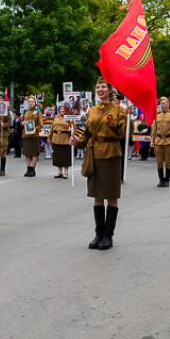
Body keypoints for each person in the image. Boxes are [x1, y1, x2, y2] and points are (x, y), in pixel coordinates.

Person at [71, 77, 127, 250]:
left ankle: (108, 236)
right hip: (94, 153)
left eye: (104, 86)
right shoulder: (92, 110)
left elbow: (122, 134)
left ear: (110, 90)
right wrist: (77, 142)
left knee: (111, 194)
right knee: (97, 195)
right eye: (98, 86)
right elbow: (88, 133)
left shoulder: (119, 110)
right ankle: (98, 233)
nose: (101, 89)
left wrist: (127, 116)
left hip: (111, 153)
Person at [150, 96, 170, 187]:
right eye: (160, 103)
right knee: (159, 161)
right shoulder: (157, 115)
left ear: (168, 104)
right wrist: (152, 140)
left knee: (168, 161)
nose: (161, 105)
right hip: (158, 140)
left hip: (168, 140)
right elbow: (153, 129)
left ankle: (167, 179)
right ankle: (161, 179)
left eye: (163, 103)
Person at [21, 96, 42, 177]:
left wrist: (35, 129)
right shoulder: (25, 112)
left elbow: (40, 124)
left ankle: (33, 169)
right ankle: (28, 168)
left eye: (32, 101)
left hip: (34, 135)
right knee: (27, 152)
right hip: (26, 135)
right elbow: (21, 122)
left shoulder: (37, 112)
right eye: (29, 101)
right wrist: (22, 123)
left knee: (34, 153)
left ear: (35, 103)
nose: (30, 103)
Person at [51, 110, 72, 179]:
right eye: (61, 109)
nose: (62, 110)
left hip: (65, 138)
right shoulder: (56, 117)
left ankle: (66, 173)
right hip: (56, 138)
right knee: (58, 156)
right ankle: (59, 172)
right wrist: (49, 137)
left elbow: (75, 128)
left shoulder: (69, 118)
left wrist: (71, 129)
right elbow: (52, 128)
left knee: (65, 156)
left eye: (64, 109)